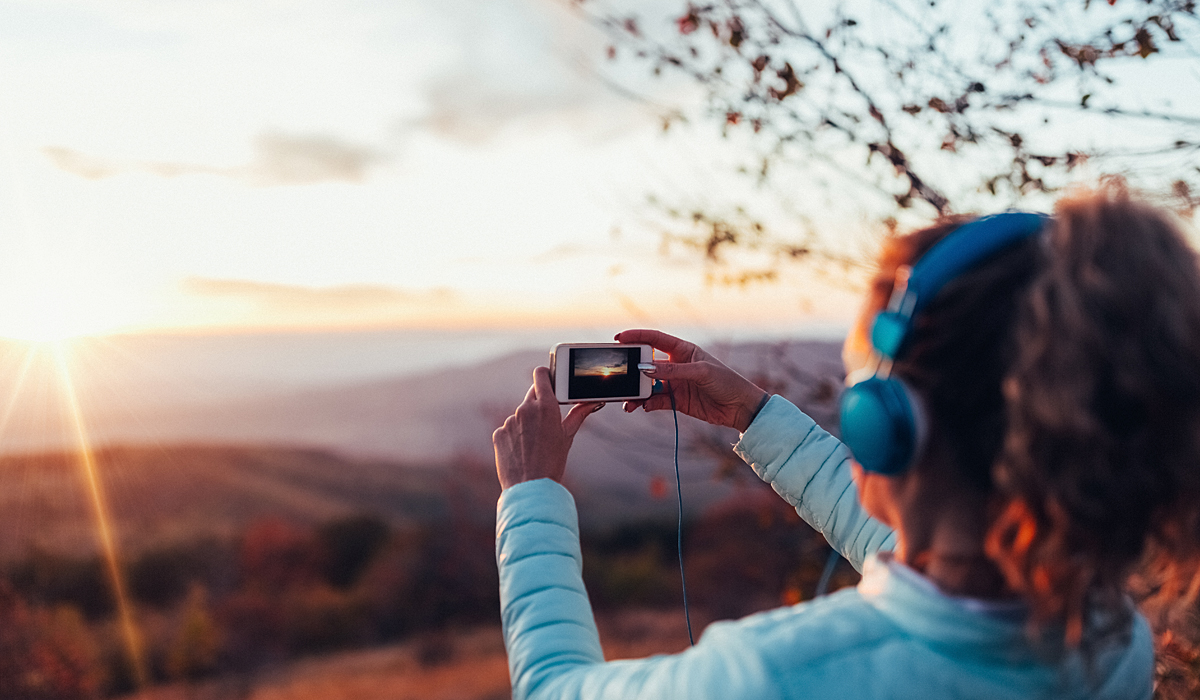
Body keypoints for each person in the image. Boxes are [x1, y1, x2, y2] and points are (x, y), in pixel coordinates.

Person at [491, 183, 1200, 699]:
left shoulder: (771, 679)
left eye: (865, 378)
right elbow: (929, 553)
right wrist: (756, 419)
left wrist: (531, 499)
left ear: (890, 423)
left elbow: (554, 687)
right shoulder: (1110, 640)